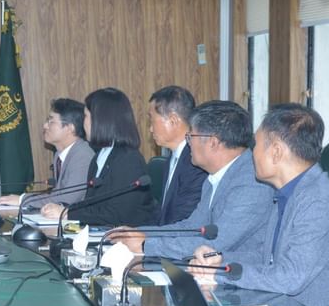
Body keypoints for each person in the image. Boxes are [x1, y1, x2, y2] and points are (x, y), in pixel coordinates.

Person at [190, 104, 329, 306]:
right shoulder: (289, 191)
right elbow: (266, 257)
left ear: (276, 152)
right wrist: (219, 259)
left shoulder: (319, 200)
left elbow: (291, 277)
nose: (251, 153)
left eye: (256, 145)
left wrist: (220, 273)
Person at [111, 101, 274, 259]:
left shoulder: (252, 182)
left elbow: (217, 243)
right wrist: (140, 233)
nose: (188, 144)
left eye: (190, 137)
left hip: (238, 280)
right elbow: (192, 228)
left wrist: (146, 245)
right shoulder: (214, 177)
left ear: (213, 142)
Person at [44, 88, 156, 225]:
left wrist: (68, 213)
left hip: (128, 239)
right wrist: (64, 210)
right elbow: (92, 206)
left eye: (86, 116)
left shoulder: (128, 160)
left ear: (101, 120)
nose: (83, 122)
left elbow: (119, 214)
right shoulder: (98, 157)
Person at [0, 98, 94, 210]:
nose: (45, 126)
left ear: (69, 128)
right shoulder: (60, 155)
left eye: (51, 121)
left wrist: (22, 200)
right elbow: (57, 195)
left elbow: (67, 199)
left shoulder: (82, 156)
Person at [148, 86, 207, 225]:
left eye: (152, 120)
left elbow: (183, 219)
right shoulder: (173, 158)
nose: (150, 129)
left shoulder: (196, 162)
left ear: (173, 120)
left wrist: (146, 240)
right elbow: (162, 213)